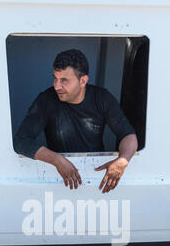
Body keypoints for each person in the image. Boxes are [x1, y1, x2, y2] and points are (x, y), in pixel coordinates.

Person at [14, 49, 138, 193]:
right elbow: (21, 141)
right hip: (59, 180)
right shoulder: (46, 100)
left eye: (64, 80)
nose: (56, 86)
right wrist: (57, 160)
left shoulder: (101, 98)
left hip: (96, 178)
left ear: (83, 80)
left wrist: (122, 161)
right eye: (55, 78)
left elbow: (128, 135)